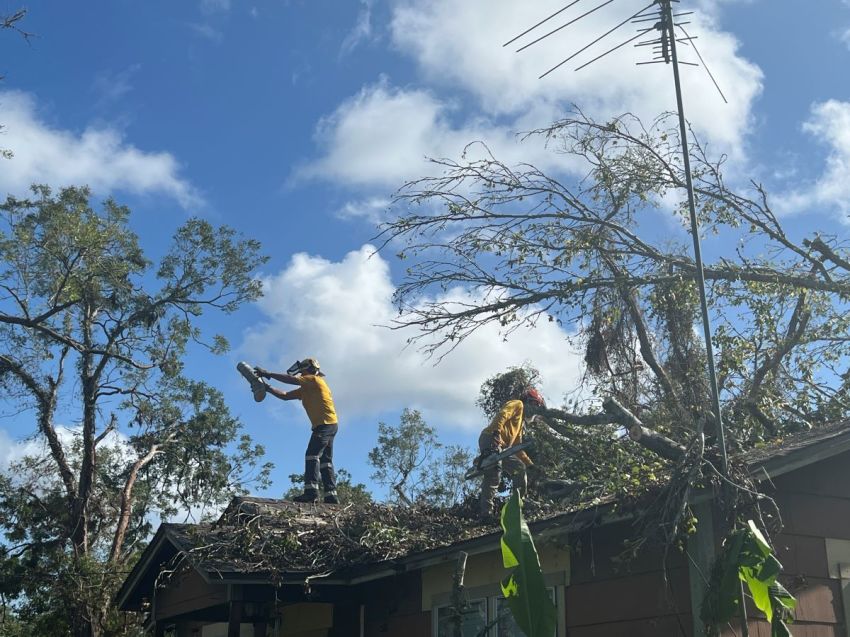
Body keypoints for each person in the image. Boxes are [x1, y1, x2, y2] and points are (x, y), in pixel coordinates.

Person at [254, 358, 340, 504]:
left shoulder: (313, 380)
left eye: (302, 370)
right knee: (325, 461)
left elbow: (291, 379)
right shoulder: (307, 387)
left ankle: (311, 493)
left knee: (312, 455)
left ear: (308, 369)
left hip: (325, 425)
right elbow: (285, 396)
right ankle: (331, 496)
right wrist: (267, 388)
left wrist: (268, 373)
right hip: (328, 424)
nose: (300, 373)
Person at [477, 387, 546, 519]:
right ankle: (486, 514)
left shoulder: (520, 424)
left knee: (519, 468)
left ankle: (518, 504)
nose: (534, 409)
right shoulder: (517, 404)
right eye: (534, 404)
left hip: (502, 449)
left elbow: (517, 447)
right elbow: (503, 414)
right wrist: (497, 432)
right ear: (528, 401)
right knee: (494, 474)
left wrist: (530, 464)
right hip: (491, 438)